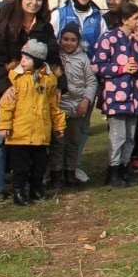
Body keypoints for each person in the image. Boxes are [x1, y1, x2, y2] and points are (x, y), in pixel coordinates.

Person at [0, 0, 61, 204]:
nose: (34, 3)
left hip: (34, 93)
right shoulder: (5, 20)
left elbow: (53, 56)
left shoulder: (44, 27)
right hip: (5, 89)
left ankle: (29, 185)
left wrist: (55, 85)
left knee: (30, 141)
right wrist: (4, 87)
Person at [93, 2, 138, 189]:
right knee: (118, 136)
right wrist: (121, 69)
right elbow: (98, 66)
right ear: (125, 20)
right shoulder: (109, 39)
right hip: (118, 96)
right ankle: (113, 170)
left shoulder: (136, 40)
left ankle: (125, 168)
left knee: (131, 136)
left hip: (136, 97)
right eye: (136, 18)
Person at [0, 38, 64, 206]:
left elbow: (53, 106)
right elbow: (6, 105)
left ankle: (36, 188)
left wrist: (59, 125)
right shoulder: (16, 79)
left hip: (41, 132)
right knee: (20, 167)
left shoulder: (49, 80)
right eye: (22, 57)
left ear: (38, 61)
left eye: (27, 58)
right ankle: (19, 191)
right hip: (20, 133)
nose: (23, 61)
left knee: (40, 164)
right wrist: (4, 125)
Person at [53, 24, 97, 188]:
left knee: (73, 142)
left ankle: (70, 172)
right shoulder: (57, 58)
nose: (69, 43)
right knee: (58, 143)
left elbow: (91, 82)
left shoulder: (83, 58)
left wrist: (86, 101)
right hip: (59, 106)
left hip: (77, 106)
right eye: (65, 39)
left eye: (73, 40)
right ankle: (55, 174)